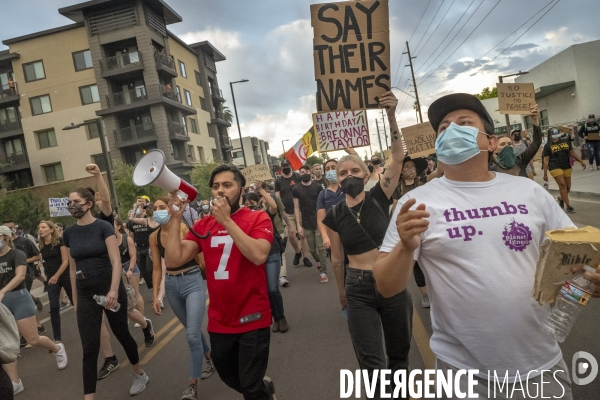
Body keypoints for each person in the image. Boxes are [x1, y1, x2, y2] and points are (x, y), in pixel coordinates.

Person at [373, 92, 589, 399]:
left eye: (464, 123)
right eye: (443, 128)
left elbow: (578, 260)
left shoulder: (530, 192)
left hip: (542, 366)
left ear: (490, 142)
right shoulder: (416, 202)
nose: (451, 130)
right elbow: (385, 285)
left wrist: (589, 280)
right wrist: (405, 248)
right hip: (463, 376)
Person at [322, 91, 411, 399]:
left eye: (354, 171)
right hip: (358, 287)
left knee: (399, 356)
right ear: (335, 178)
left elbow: (397, 157)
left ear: (366, 175)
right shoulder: (334, 214)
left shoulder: (379, 195)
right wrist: (342, 294)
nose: (348, 176)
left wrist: (390, 115)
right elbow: (336, 258)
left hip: (392, 282)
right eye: (342, 173)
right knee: (371, 362)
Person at [165, 165, 277, 400]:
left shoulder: (258, 217)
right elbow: (174, 259)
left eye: (227, 185)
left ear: (241, 189)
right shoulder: (204, 225)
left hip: (253, 316)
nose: (220, 191)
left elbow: (258, 255)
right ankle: (263, 391)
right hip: (220, 319)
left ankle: (258, 391)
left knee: (249, 385)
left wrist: (227, 221)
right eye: (216, 186)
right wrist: (175, 219)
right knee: (227, 374)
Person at [64, 188, 148, 398]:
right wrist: (75, 300)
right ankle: (89, 397)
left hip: (110, 290)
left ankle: (139, 374)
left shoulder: (103, 227)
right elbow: (73, 269)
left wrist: (112, 290)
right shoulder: (69, 233)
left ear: (89, 203)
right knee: (89, 348)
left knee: (122, 333)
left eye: (76, 201)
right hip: (85, 294)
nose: (71, 205)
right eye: (69, 202)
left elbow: (116, 260)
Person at [149, 197, 213, 400]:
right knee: (191, 330)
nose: (158, 211)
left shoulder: (184, 229)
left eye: (162, 207)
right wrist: (156, 296)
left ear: (171, 209)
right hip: (171, 285)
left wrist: (211, 285)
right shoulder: (154, 236)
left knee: (192, 335)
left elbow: (201, 259)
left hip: (192, 281)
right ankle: (209, 359)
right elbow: (157, 268)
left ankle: (192, 386)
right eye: (155, 208)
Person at [0, 225, 67, 396]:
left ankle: (57, 349)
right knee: (6, 344)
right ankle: (15, 382)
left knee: (33, 338)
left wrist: (3, 290)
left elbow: (20, 276)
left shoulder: (17, 254)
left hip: (19, 298)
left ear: (6, 237)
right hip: (2, 304)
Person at [244, 186, 289, 333]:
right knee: (264, 290)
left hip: (272, 254)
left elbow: (274, 206)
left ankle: (281, 317)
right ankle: (275, 318)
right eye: (247, 203)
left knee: (273, 288)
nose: (250, 206)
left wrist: (262, 190)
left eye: (253, 202)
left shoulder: (264, 214)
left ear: (259, 202)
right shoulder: (243, 219)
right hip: (256, 257)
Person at [114, 217, 154, 346]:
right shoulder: (107, 241)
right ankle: (128, 316)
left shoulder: (126, 239)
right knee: (122, 296)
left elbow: (133, 256)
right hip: (116, 269)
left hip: (128, 266)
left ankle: (141, 317)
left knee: (135, 293)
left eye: (112, 225)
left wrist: (130, 269)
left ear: (118, 226)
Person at [398, 156, 430, 309]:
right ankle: (425, 294)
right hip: (411, 229)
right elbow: (396, 212)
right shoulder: (397, 189)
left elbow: (440, 171)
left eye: (412, 166)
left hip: (428, 224)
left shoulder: (424, 182)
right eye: (406, 167)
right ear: (401, 172)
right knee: (415, 264)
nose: (410, 169)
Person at [2, 219, 44, 336]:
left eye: (11, 227)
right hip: (6, 285)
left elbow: (37, 256)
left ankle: (35, 328)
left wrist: (22, 262)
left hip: (26, 276)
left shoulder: (24, 242)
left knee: (22, 306)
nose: (10, 229)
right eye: (7, 227)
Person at [38, 220, 73, 343]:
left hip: (65, 276)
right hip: (51, 279)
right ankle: (57, 339)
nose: (40, 230)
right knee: (53, 307)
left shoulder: (60, 242)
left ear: (51, 229)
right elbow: (46, 259)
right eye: (39, 228)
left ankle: (89, 326)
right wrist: (39, 263)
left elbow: (65, 261)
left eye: (43, 227)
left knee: (76, 302)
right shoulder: (41, 245)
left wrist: (57, 275)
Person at [293, 164, 329, 283]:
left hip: (319, 222)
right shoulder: (296, 189)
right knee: (312, 250)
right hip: (306, 223)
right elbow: (296, 207)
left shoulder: (318, 187)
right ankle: (318, 262)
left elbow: (323, 204)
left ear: (310, 172)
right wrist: (298, 225)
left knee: (321, 248)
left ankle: (323, 272)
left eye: (306, 171)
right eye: (302, 172)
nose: (304, 173)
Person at [275, 160, 311, 267]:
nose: (285, 167)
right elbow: (277, 197)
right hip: (287, 212)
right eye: (283, 166)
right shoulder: (278, 181)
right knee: (291, 235)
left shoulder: (297, 176)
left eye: (287, 165)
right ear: (281, 168)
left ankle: (305, 257)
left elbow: (304, 188)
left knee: (302, 234)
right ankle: (297, 252)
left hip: (300, 210)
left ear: (290, 166)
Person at [542, 127, 586, 214]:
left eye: (557, 132)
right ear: (550, 135)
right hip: (554, 166)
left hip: (566, 165)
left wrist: (581, 161)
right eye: (553, 133)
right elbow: (546, 160)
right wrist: (545, 174)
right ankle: (568, 206)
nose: (555, 135)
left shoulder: (565, 141)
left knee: (568, 186)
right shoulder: (547, 146)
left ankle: (561, 199)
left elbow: (572, 152)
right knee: (562, 185)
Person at [490, 105, 542, 177]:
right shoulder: (492, 171)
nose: (507, 146)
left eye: (509, 143)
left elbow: (537, 142)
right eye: (502, 144)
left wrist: (535, 119)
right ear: (495, 149)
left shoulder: (521, 161)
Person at [317, 158, 345, 251]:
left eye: (333, 167)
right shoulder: (323, 194)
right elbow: (321, 219)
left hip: (350, 233)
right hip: (333, 237)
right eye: (327, 169)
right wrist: (325, 237)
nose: (330, 170)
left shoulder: (347, 188)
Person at [127, 197, 154, 290]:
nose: (140, 207)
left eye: (142, 204)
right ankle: (152, 287)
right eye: (138, 204)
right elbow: (131, 235)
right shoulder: (132, 222)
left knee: (149, 269)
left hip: (149, 247)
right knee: (143, 270)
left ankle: (156, 289)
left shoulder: (148, 219)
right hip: (139, 247)